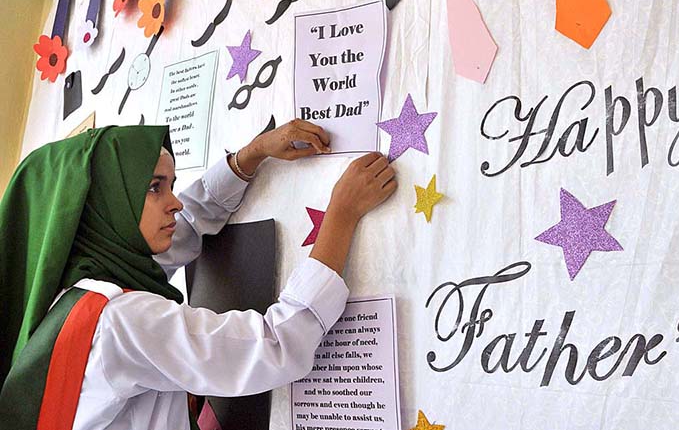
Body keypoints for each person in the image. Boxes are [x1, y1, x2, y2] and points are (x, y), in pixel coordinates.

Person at [0, 120, 397, 430]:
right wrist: (341, 214)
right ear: (106, 203)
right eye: (154, 187)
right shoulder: (118, 320)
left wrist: (252, 155)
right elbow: (274, 347)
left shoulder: (81, 288)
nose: (173, 202)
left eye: (170, 185)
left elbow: (187, 221)